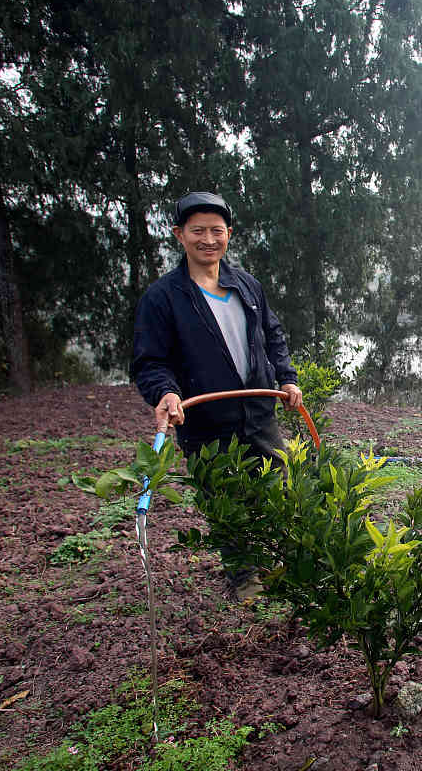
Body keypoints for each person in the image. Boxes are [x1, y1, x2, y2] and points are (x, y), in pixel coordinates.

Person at [131, 191, 303, 598]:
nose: (208, 239)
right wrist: (166, 393)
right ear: (179, 235)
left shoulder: (246, 285)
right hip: (207, 424)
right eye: (197, 231)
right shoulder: (163, 298)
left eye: (216, 230)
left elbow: (272, 336)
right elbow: (149, 362)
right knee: (226, 500)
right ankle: (244, 577)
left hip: (259, 413)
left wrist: (287, 378)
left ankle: (279, 564)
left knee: (276, 486)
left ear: (229, 234)